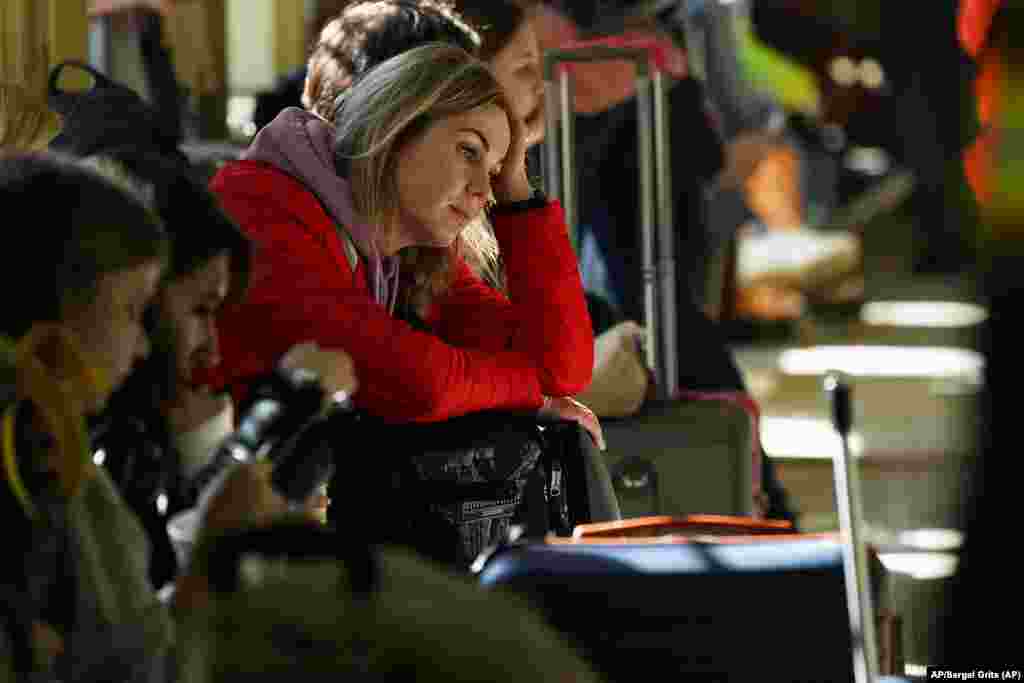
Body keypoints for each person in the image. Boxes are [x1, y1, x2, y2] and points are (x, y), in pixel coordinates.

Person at [44, 59, 358, 591]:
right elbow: (145, 646)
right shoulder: (65, 459)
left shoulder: (135, 439)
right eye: (198, 311)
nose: (213, 351)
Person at [206, 43, 602, 448]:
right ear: (397, 125)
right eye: (469, 151)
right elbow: (416, 380)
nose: (484, 191)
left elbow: (559, 365)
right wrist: (529, 395)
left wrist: (518, 192)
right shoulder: (263, 205)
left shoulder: (408, 252)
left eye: (495, 171)